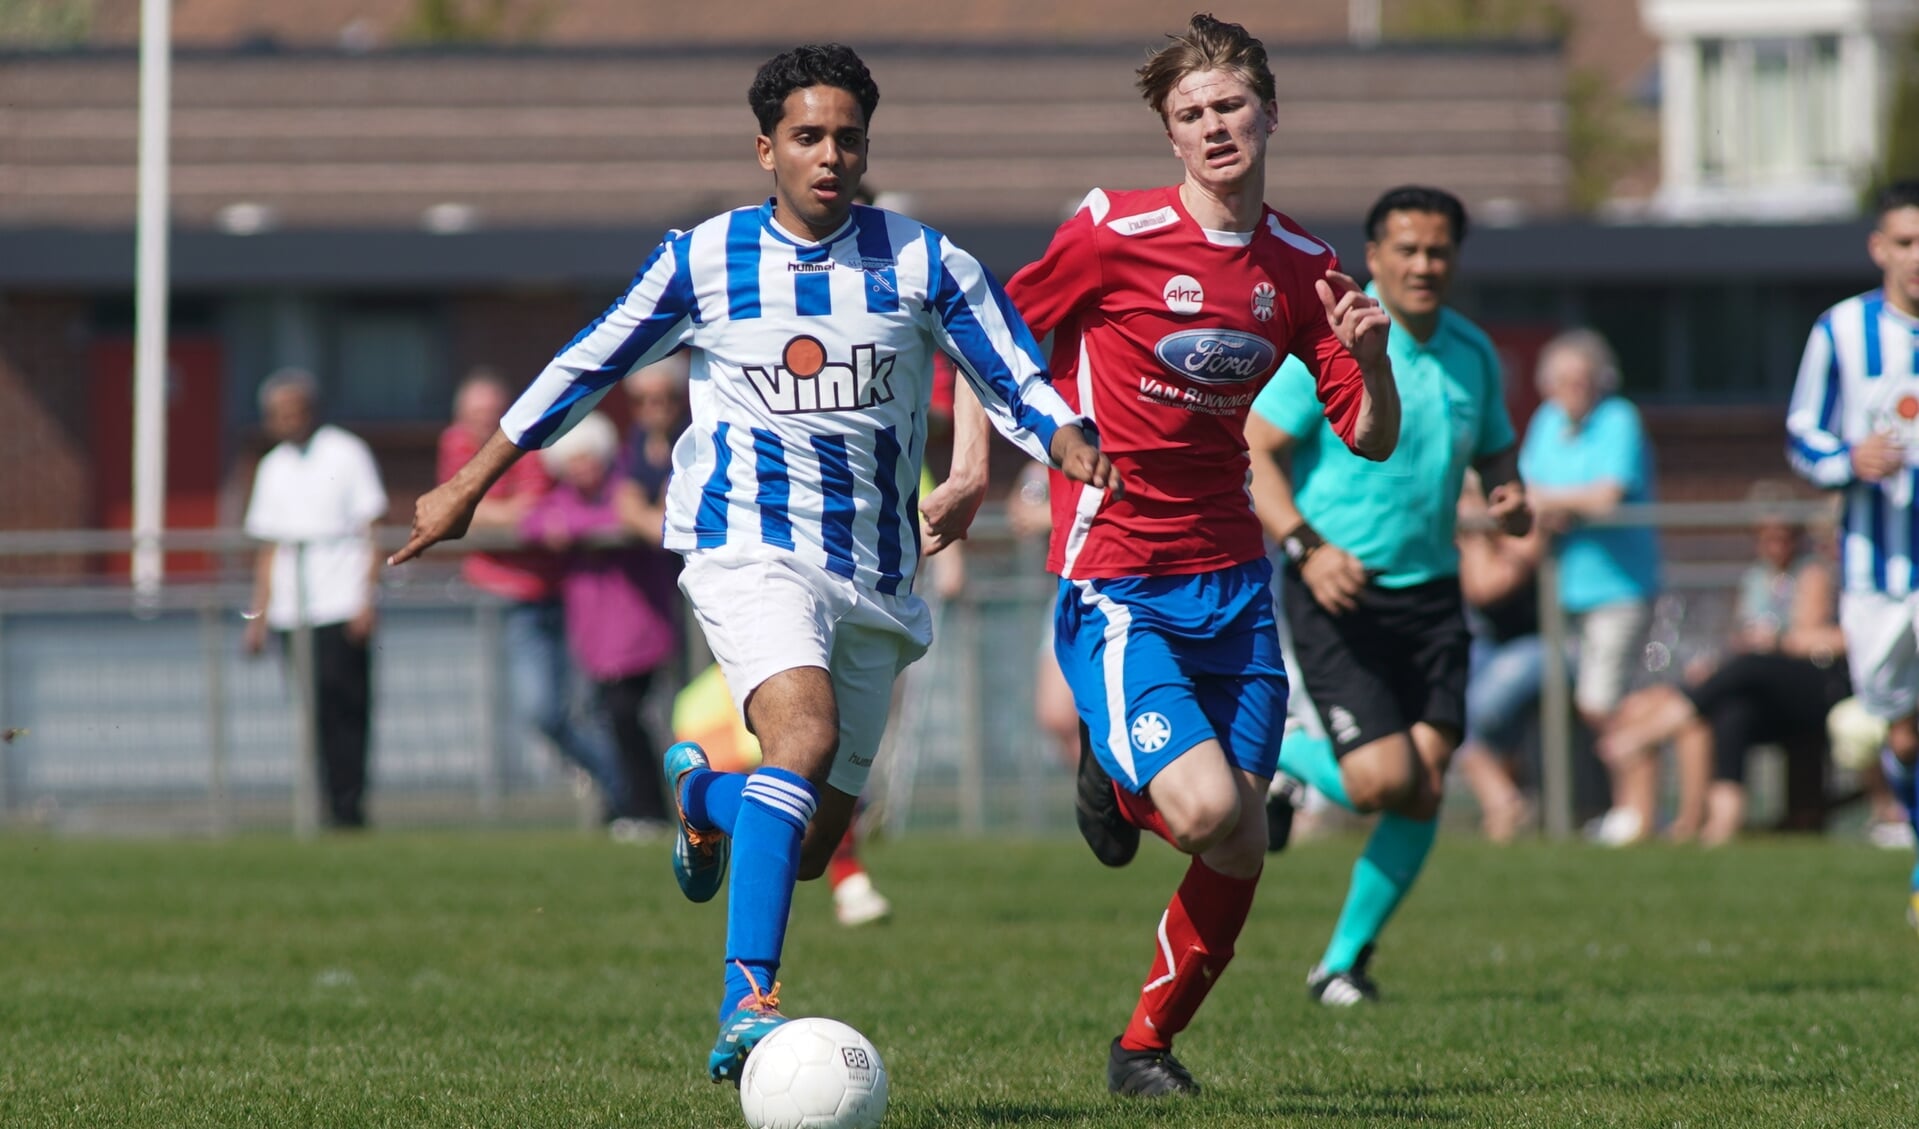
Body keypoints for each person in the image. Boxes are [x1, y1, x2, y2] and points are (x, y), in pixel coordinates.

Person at [392, 42, 1114, 1083]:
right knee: (803, 734)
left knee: (811, 840)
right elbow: (585, 362)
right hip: (748, 548)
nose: (831, 155)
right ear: (765, 147)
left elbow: (1011, 371)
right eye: (808, 136)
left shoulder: (921, 261)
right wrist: (468, 485)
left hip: (874, 571)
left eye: (848, 138)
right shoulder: (700, 259)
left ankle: (700, 801)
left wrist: (1066, 437)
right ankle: (747, 1001)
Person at [990, 14, 1400, 1094]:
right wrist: (973, 470)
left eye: (1228, 105)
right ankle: (1114, 774)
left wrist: (1372, 358)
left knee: (1239, 841)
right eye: (1190, 113)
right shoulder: (1106, 228)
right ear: (1167, 135)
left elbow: (1366, 431)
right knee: (1209, 807)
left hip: (1233, 581)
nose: (1213, 126)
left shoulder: (1303, 264)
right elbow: (992, 341)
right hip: (1115, 572)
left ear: (1268, 112)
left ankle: (1142, 1049)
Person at [1247, 185, 1529, 1007]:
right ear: (1373, 258)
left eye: (1437, 251)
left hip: (1435, 597)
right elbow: (1255, 451)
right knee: (1378, 783)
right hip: (1340, 590)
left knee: (1426, 784)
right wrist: (1305, 545)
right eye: (1405, 249)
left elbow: (1498, 463)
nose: (1422, 265)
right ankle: (1270, 755)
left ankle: (1340, 963)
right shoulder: (1335, 341)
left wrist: (1509, 497)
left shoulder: (1473, 353)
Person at [1785, 179, 1919, 930]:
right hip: (1874, 571)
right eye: (1904, 241)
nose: (1916, 256)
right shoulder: (1839, 332)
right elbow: (1802, 434)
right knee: (1899, 728)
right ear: (1878, 248)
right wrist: (1848, 458)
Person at [438, 371, 631, 827]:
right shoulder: (457, 445)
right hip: (499, 599)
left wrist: (493, 511)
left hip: (564, 593)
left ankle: (629, 795)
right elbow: (461, 507)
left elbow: (539, 504)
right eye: (476, 416)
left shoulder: (529, 436)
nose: (485, 423)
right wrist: (503, 514)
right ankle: (625, 789)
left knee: (582, 707)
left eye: (492, 413)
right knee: (538, 713)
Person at [1597, 504, 1846, 845]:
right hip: (1765, 688)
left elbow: (1813, 637)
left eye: (1784, 536)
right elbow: (1742, 633)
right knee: (1731, 710)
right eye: (1766, 537)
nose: (1775, 545)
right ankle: (1708, 822)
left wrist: (1776, 642)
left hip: (1819, 682)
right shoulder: (1757, 578)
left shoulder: (1817, 574)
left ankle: (1658, 726)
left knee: (1747, 667)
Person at [1520, 329, 1662, 846]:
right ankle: (1628, 809)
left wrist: (1554, 504)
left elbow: (1607, 496)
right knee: (1597, 702)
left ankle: (1639, 811)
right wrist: (1558, 503)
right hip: (1565, 591)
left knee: (1605, 703)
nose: (1573, 389)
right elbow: (1529, 490)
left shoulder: (1620, 418)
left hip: (1621, 586)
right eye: (1562, 380)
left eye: (1582, 379)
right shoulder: (1545, 423)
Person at [242, 368, 388, 829]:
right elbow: (267, 547)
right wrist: (258, 614)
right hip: (292, 610)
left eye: (293, 411)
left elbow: (372, 528)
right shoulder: (272, 466)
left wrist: (367, 598)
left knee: (347, 707)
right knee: (312, 710)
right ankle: (325, 803)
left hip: (340, 603)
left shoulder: (346, 453)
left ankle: (349, 806)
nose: (286, 421)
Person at [523, 410, 680, 837]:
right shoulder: (563, 500)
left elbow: (623, 518)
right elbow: (534, 521)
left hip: (639, 632)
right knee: (612, 723)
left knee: (629, 718)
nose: (583, 468)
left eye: (589, 458)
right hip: (595, 639)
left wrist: (575, 529)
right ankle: (628, 806)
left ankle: (649, 810)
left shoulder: (623, 489)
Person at [1454, 474, 1552, 843]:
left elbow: (1485, 587)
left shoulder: (1524, 525)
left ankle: (1504, 804)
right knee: (1447, 706)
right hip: (1492, 646)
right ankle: (1507, 803)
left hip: (1547, 644)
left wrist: (1476, 532)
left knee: (1469, 711)